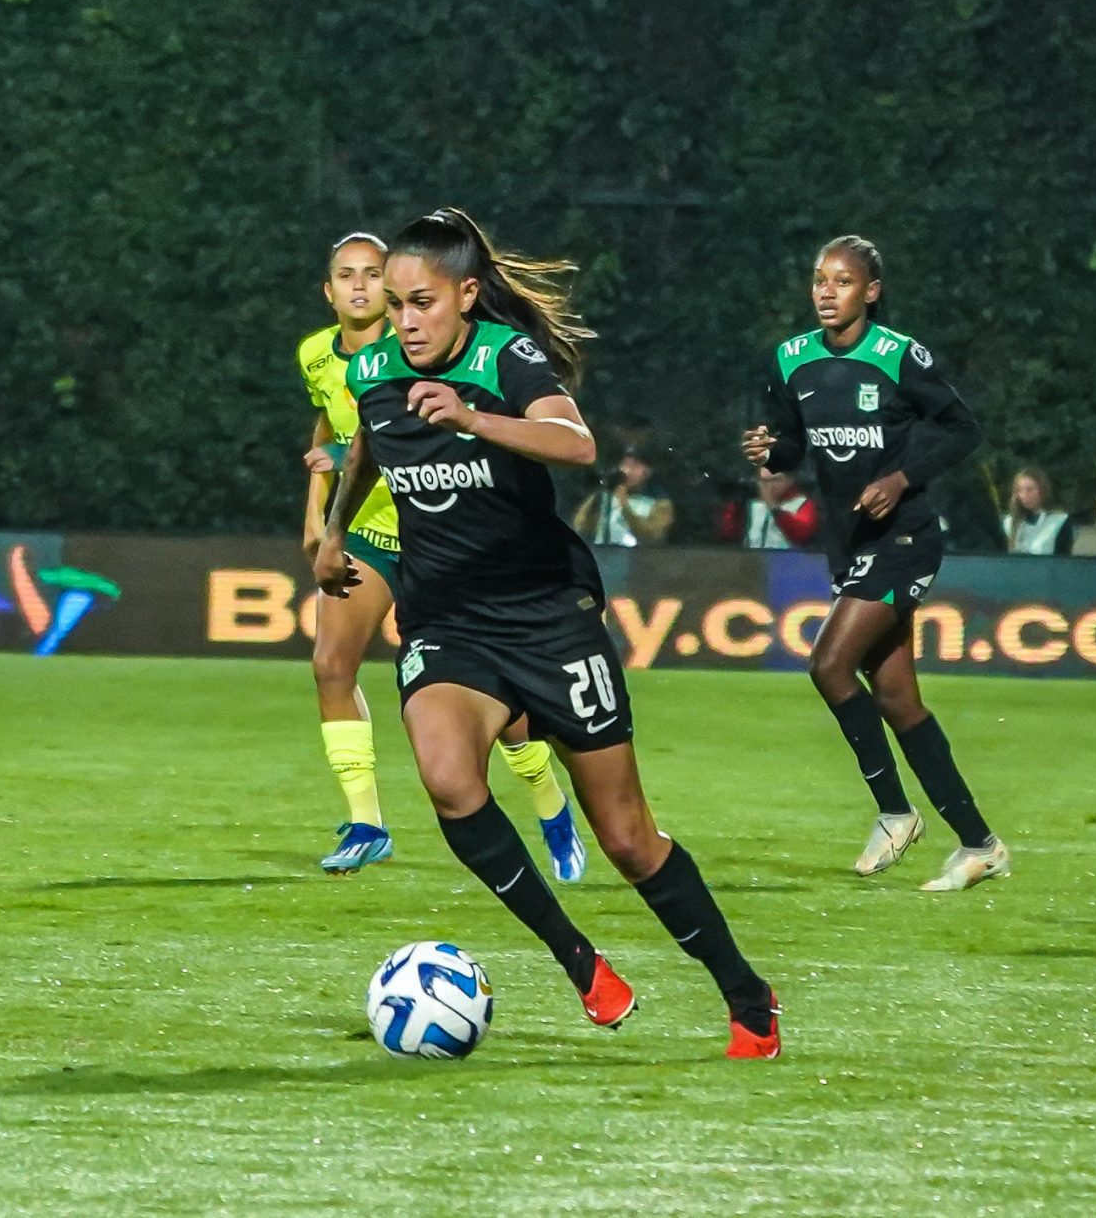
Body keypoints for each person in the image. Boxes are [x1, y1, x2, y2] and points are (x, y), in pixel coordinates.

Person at [316, 208, 779, 1058]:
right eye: (394, 304)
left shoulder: (505, 357)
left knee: (630, 840)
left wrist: (474, 418)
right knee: (448, 778)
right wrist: (336, 532)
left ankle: (747, 993)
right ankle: (580, 963)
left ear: (464, 295)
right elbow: (366, 452)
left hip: (547, 621)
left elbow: (575, 440)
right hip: (447, 621)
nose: (406, 320)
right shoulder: (375, 369)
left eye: (422, 302)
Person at [298, 232, 585, 882]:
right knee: (330, 665)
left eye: (374, 275)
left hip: (446, 541)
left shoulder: (448, 349)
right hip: (374, 533)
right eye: (348, 276)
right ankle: (367, 822)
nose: (362, 288)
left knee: (501, 711)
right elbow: (341, 429)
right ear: (329, 289)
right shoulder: (324, 358)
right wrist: (322, 524)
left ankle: (548, 801)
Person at [741, 234, 1009, 891]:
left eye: (842, 281)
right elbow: (792, 445)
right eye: (819, 281)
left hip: (906, 539)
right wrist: (769, 453)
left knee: (828, 665)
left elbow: (961, 427)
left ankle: (894, 809)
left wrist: (901, 479)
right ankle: (980, 843)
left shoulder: (897, 357)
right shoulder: (791, 360)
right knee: (896, 698)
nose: (827, 292)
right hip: (851, 544)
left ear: (871, 291)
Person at [571, 446, 673, 546]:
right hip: (602, 555)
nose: (628, 471)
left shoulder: (659, 502)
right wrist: (598, 495)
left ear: (648, 471)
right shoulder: (605, 495)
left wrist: (624, 504)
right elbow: (581, 526)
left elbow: (651, 537)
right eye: (625, 465)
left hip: (639, 559)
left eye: (635, 466)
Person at [1002, 467, 1074, 555]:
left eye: (1030, 490)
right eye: (1020, 490)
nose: (1024, 495)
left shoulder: (1059, 521)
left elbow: (1063, 559)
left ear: (1042, 490)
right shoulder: (1008, 522)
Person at [742, 470, 820, 550]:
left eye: (775, 480)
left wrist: (774, 508)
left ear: (789, 481)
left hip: (789, 559)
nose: (769, 485)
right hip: (753, 559)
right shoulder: (752, 505)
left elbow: (801, 534)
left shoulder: (803, 504)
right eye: (764, 481)